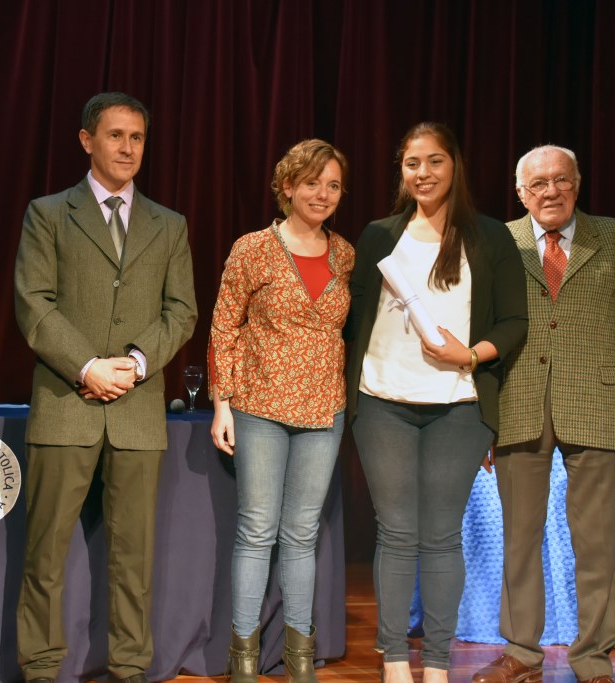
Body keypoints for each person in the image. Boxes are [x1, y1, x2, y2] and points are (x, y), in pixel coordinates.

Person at [13, 92, 197, 683]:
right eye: (115, 136)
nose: (127, 148)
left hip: (138, 411)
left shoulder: (169, 225)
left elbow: (182, 311)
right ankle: (40, 668)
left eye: (137, 138)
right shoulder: (48, 214)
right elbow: (34, 304)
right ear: (87, 140)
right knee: (46, 553)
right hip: (68, 403)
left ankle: (129, 667)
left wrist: (137, 364)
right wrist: (88, 366)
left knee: (133, 558)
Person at [344, 122, 528, 683]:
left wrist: (470, 355)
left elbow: (514, 323)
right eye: (411, 163)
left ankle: (440, 663)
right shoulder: (378, 235)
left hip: (459, 406)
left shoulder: (490, 236)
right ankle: (396, 660)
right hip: (381, 403)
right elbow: (351, 321)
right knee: (397, 532)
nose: (422, 173)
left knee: (442, 536)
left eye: (434, 162)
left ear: (455, 167)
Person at [471, 145, 615, 683]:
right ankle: (521, 654)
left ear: (577, 183)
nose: (550, 191)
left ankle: (593, 657)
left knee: (595, 539)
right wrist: (482, 417)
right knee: (519, 537)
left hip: (597, 401)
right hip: (517, 403)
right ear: (520, 191)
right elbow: (484, 326)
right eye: (538, 184)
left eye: (560, 180)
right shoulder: (498, 239)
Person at [209, 139, 355, 683]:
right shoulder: (252, 249)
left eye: (333, 185)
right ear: (288, 185)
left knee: (301, 533)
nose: (322, 193)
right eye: (312, 182)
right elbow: (224, 326)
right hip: (261, 402)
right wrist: (222, 404)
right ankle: (244, 660)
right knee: (257, 529)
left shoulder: (345, 253)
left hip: (324, 408)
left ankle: (299, 661)